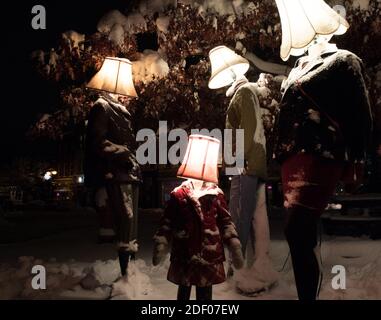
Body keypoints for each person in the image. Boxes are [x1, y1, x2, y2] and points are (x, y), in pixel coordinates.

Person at [274, 40, 373, 300]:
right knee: (298, 234)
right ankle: (307, 294)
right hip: (291, 157)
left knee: (297, 229)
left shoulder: (343, 60)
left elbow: (360, 112)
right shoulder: (296, 67)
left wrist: (358, 157)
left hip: (320, 152)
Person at [225, 74, 279, 294]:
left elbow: (246, 130)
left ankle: (236, 271)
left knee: (239, 216)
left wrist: (238, 162)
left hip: (244, 165)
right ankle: (258, 268)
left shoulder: (243, 93)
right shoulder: (249, 95)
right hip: (252, 164)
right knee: (256, 217)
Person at [152, 179, 244, 300]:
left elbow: (225, 222)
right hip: (185, 252)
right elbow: (167, 220)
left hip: (208, 252)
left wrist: (233, 244)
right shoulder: (178, 194)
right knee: (184, 292)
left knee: (205, 294)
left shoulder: (216, 194)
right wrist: (162, 241)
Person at [84, 92, 141, 278]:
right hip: (116, 172)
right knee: (125, 220)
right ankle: (126, 275)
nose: (129, 96)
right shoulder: (102, 106)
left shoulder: (122, 111)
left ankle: (131, 274)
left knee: (132, 225)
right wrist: (122, 153)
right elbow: (97, 141)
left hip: (130, 173)